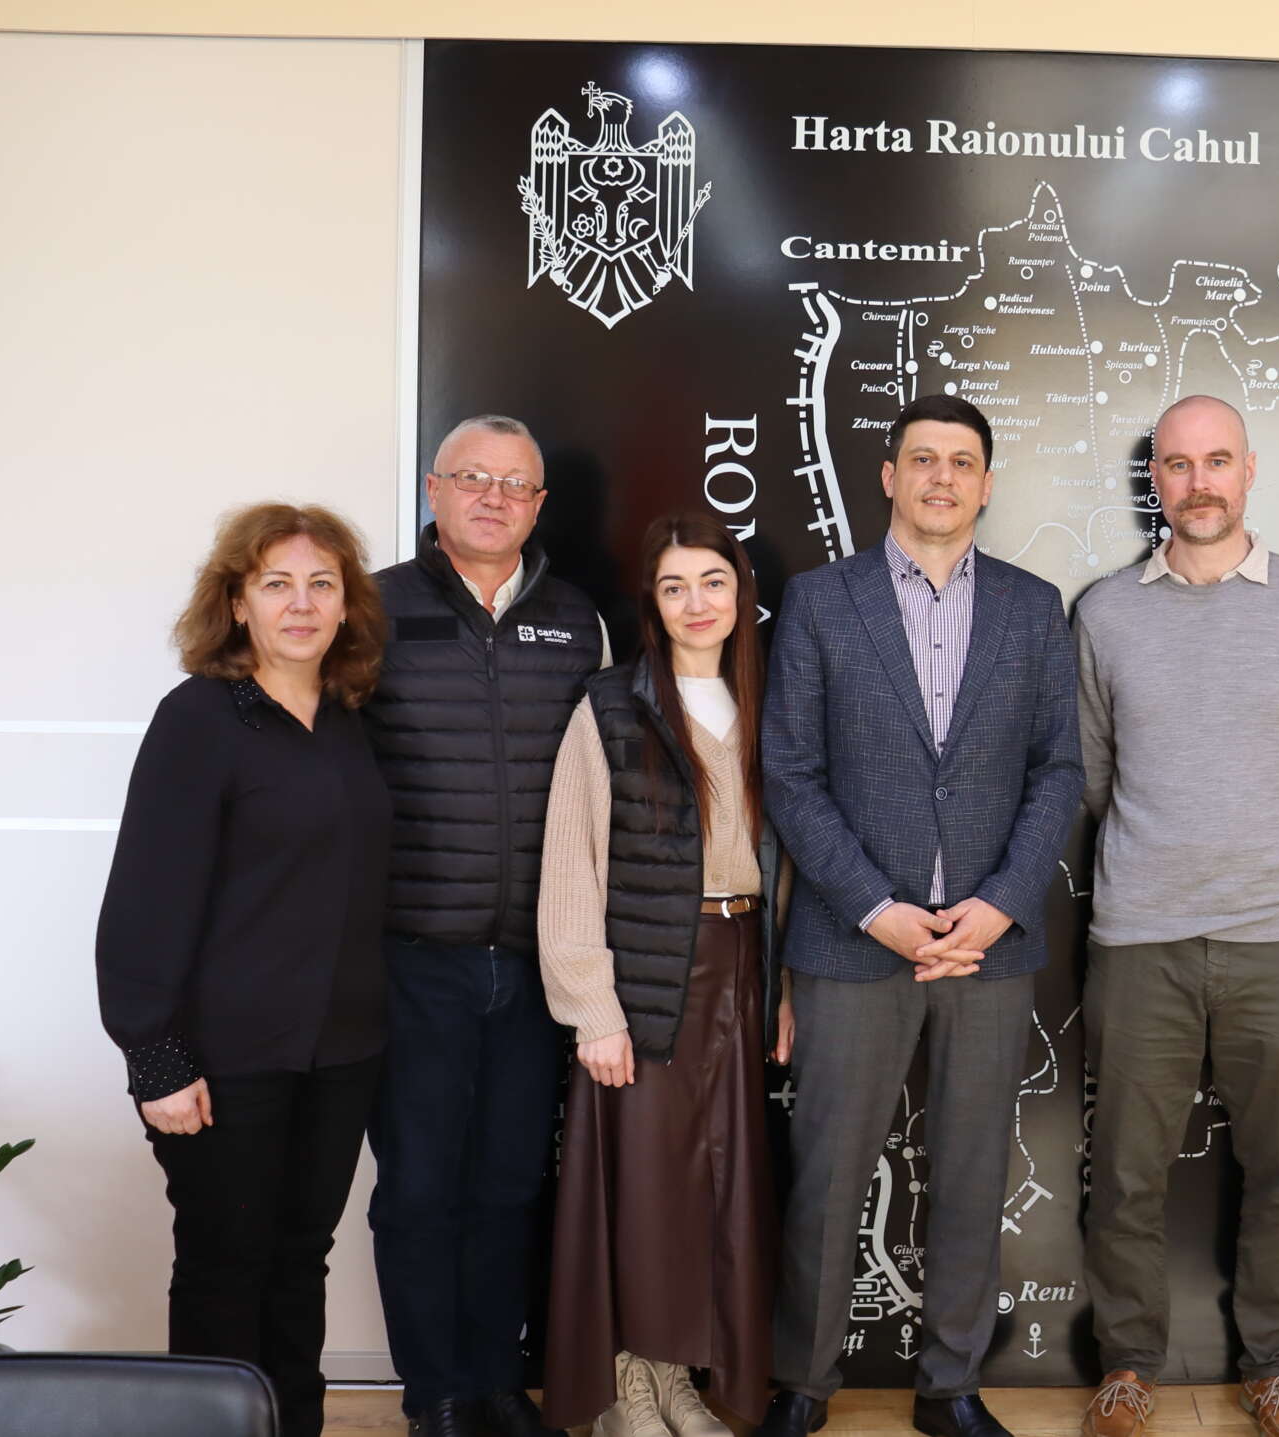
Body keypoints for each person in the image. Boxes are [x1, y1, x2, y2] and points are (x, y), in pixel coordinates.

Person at [759, 393, 1085, 1437]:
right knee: (826, 1176)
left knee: (976, 1170)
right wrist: (875, 909)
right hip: (851, 941)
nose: (942, 477)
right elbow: (791, 775)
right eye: (923, 459)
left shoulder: (1034, 608)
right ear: (889, 476)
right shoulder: (820, 602)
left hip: (988, 947)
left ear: (986, 485)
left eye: (962, 462)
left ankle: (950, 1386)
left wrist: (1000, 904)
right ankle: (803, 1383)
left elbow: (1059, 771)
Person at [1072, 396, 1279, 1437]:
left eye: (1216, 461)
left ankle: (1276, 1365)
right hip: (1139, 939)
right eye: (1177, 464)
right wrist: (1170, 855)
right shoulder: (1105, 613)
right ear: (1154, 479)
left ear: (1249, 470)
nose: (1197, 482)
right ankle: (1127, 1367)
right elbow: (1093, 773)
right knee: (1125, 1174)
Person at [96, 503, 392, 1437]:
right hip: (223, 1060)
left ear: (345, 605)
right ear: (237, 602)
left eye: (321, 584)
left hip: (341, 1052)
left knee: (300, 1262)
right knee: (226, 1268)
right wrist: (156, 1058)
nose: (301, 604)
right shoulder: (197, 720)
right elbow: (145, 897)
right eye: (276, 584)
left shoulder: (350, 719)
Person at [365, 414, 608, 1437]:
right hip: (410, 958)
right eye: (473, 478)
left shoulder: (578, 619)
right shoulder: (373, 609)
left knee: (510, 1184)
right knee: (419, 1186)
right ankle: (434, 1394)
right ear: (435, 489)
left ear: (539, 505)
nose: (493, 498)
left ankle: (497, 1380)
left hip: (535, 963)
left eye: (515, 485)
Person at [536, 512, 793, 1436]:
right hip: (645, 972)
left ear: (740, 594)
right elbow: (571, 859)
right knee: (642, 1188)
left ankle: (680, 1376)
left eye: (712, 582)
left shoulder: (771, 702)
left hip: (741, 964)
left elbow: (790, 861)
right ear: (652, 599)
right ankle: (626, 1386)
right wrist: (592, 1006)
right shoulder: (611, 705)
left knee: (716, 1191)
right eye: (675, 585)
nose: (696, 602)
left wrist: (786, 986)